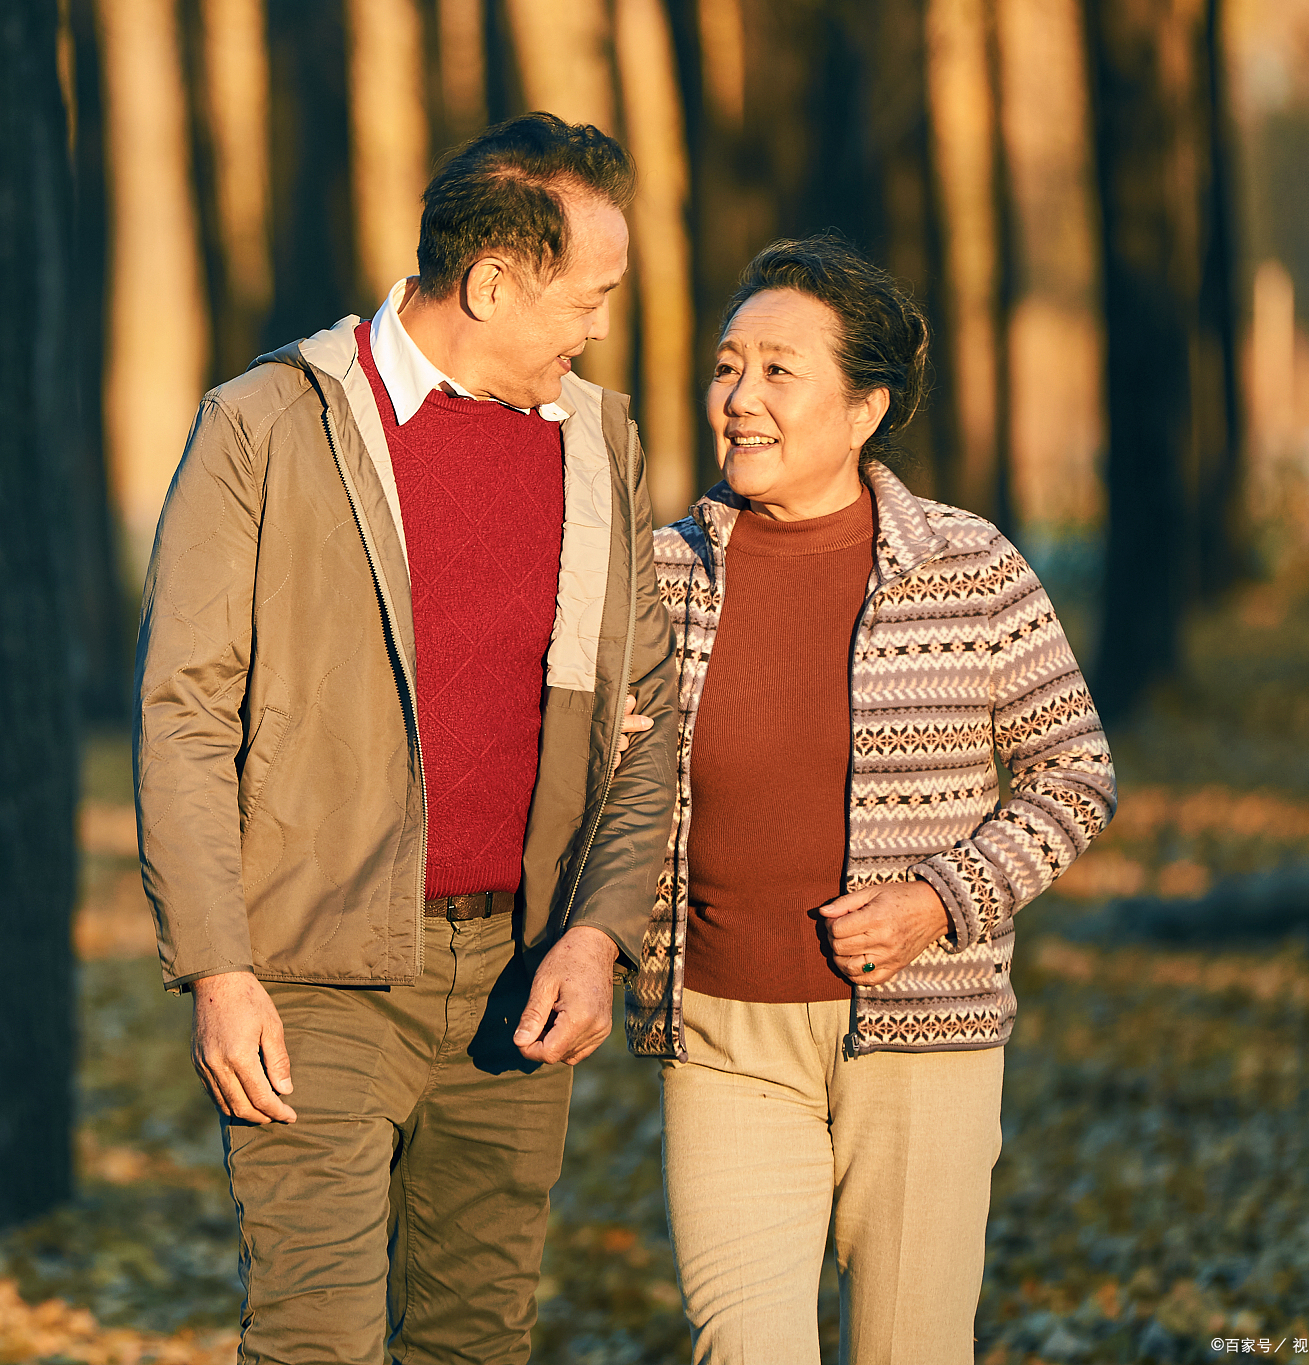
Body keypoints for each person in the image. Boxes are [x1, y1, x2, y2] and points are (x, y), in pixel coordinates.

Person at [133, 112, 677, 1363]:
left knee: (476, 1340)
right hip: (311, 973)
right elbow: (183, 711)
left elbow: (642, 720)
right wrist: (217, 970)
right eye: (587, 297)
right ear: (491, 284)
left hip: (519, 975)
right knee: (314, 1340)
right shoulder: (265, 423)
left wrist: (596, 935)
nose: (598, 328)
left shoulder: (597, 441)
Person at [622, 234, 1117, 1363]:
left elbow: (1075, 771)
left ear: (864, 408)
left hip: (922, 1039)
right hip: (722, 1036)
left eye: (777, 371)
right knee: (742, 1347)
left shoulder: (969, 566)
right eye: (726, 367)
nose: (739, 398)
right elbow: (603, 780)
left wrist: (940, 900)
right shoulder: (660, 577)